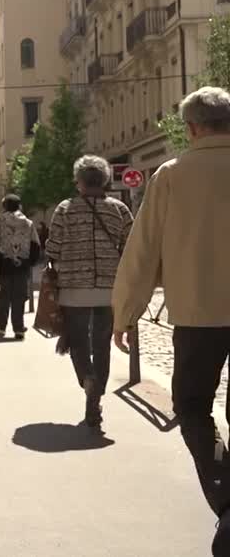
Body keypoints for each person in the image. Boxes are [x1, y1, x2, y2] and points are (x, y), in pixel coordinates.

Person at [111, 87, 230, 554]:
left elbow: (142, 253)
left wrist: (125, 313)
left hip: (198, 315)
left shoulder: (171, 176)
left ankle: (225, 496)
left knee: (194, 405)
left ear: (193, 127)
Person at [44, 155, 133, 428]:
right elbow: (131, 246)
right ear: (105, 179)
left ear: (79, 181)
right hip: (109, 287)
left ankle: (87, 379)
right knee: (102, 343)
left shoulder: (65, 209)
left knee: (79, 342)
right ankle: (96, 397)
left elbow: (53, 247)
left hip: (74, 288)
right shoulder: (119, 209)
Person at [0, 194, 40, 339]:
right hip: (21, 265)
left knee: (2, 296)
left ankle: (1, 326)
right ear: (19, 206)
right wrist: (30, 262)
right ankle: (18, 328)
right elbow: (35, 244)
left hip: (4, 264)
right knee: (19, 297)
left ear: (4, 206)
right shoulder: (28, 223)